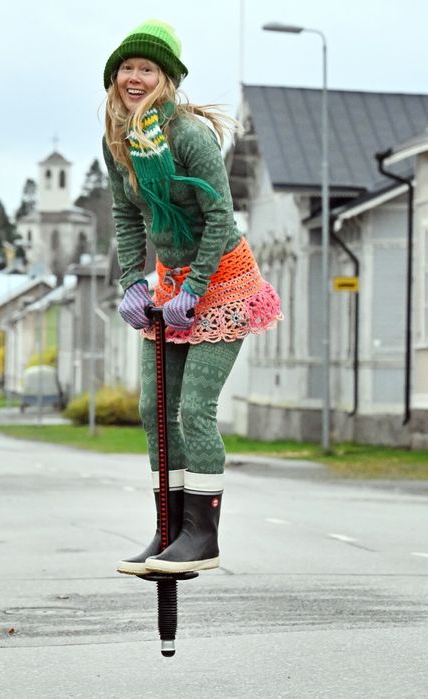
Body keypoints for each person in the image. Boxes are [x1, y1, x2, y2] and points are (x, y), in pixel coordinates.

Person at [102, 20, 283, 575]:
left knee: (193, 412)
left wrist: (198, 288)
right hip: (171, 283)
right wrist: (132, 281)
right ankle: (168, 531)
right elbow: (127, 216)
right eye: (127, 68)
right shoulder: (118, 139)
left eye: (147, 69)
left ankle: (202, 538)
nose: (135, 78)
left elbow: (218, 217)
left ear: (168, 79)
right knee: (153, 410)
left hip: (222, 279)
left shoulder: (190, 135)